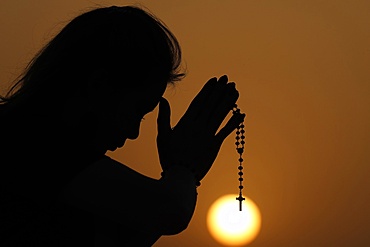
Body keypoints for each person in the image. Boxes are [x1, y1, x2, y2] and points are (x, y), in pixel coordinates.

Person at [0, 5, 245, 246]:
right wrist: (184, 168)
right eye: (137, 112)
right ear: (98, 86)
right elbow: (167, 212)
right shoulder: (26, 141)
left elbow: (127, 235)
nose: (133, 132)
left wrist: (183, 171)